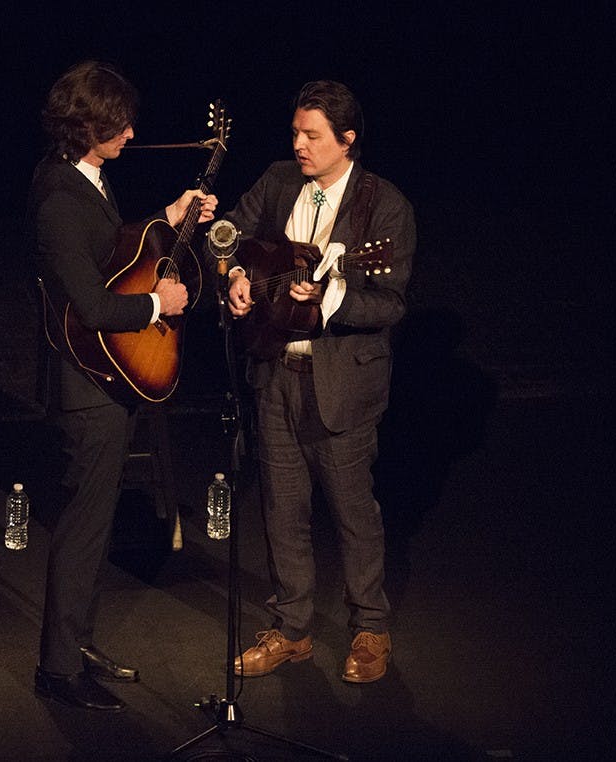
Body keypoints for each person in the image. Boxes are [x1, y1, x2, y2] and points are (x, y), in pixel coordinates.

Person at [28, 60, 217, 711]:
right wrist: (160, 305)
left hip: (109, 380)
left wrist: (169, 211)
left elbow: (109, 248)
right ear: (86, 127)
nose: (132, 133)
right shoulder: (57, 198)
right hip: (87, 390)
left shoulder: (89, 180)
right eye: (119, 124)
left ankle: (75, 643)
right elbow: (93, 305)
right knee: (83, 529)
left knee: (97, 524)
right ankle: (56, 669)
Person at [213, 80, 415, 683]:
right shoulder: (279, 181)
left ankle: (370, 628)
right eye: (296, 132)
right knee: (282, 508)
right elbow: (226, 231)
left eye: (312, 136)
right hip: (275, 372)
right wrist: (236, 275)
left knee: (353, 511)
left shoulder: (385, 207)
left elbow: (389, 304)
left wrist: (332, 297)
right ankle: (292, 629)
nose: (298, 144)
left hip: (342, 385)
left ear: (346, 141)